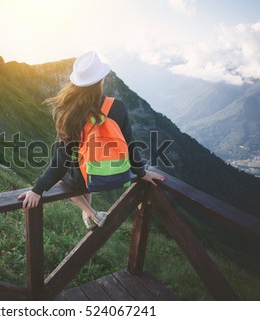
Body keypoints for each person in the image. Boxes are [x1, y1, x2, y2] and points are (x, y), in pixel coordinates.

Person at [18, 51, 164, 230]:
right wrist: (142, 173)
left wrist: (37, 189)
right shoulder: (117, 107)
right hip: (114, 173)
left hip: (86, 178)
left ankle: (89, 212)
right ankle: (89, 213)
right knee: (84, 163)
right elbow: (130, 145)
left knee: (70, 169)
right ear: (101, 81)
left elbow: (60, 161)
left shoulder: (70, 114)